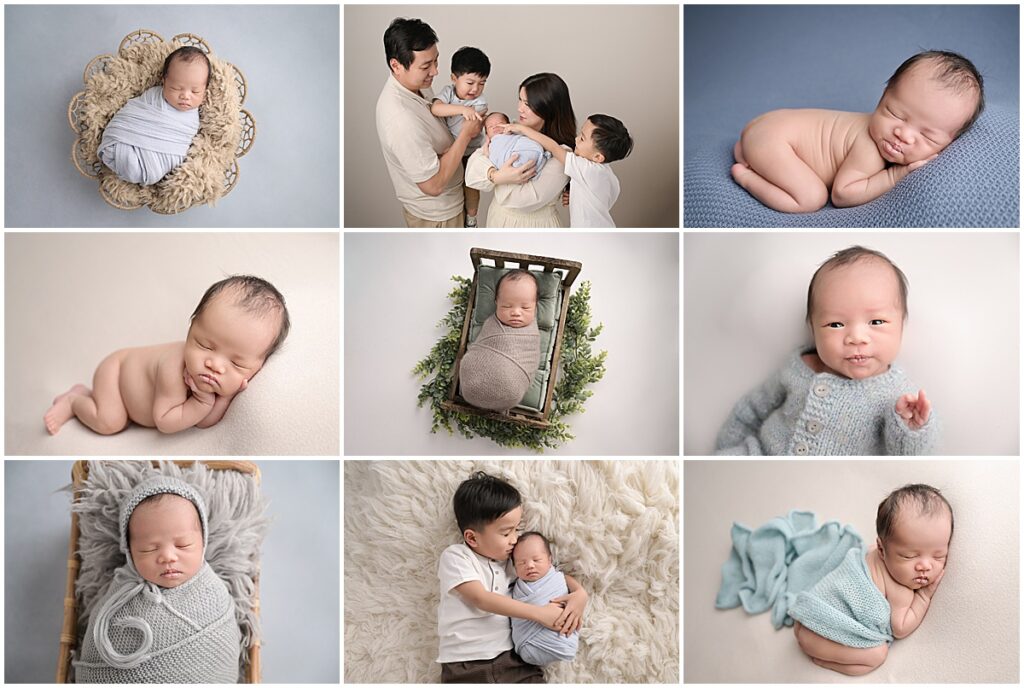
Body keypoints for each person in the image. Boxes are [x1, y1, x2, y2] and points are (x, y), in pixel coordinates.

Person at [715, 246, 938, 455]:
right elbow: (752, 408)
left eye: (877, 321)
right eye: (835, 325)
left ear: (901, 325)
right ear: (813, 329)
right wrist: (726, 449)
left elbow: (907, 455)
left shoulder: (899, 395)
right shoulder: (799, 365)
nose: (856, 338)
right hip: (756, 452)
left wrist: (912, 428)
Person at [732, 50, 984, 212]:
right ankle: (746, 175)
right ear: (882, 97)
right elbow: (842, 194)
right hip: (774, 140)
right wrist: (895, 176)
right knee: (811, 198)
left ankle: (748, 149)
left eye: (927, 136)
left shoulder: (893, 135)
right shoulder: (869, 147)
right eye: (895, 113)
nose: (903, 134)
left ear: (951, 141)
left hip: (767, 127)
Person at [43, 275, 289, 435]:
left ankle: (86, 395)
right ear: (191, 329)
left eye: (237, 363)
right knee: (111, 421)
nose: (214, 365)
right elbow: (165, 420)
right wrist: (204, 400)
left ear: (259, 366)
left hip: (130, 395)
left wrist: (223, 399)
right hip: (116, 374)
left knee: (118, 417)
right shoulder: (174, 368)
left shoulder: (214, 381)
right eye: (205, 345)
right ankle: (74, 401)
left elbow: (202, 421)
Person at [73, 477, 240, 682]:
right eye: (149, 549)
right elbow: (97, 651)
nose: (168, 557)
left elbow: (224, 655)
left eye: (183, 545)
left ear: (203, 543)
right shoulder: (119, 598)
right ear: (130, 552)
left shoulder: (213, 595)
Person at [437, 472, 589, 683]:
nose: (515, 539)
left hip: (513, 660)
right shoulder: (457, 557)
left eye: (517, 529)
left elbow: (551, 575)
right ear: (472, 537)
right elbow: (481, 599)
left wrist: (580, 593)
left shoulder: (513, 562)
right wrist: (540, 614)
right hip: (466, 664)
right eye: (506, 532)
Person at [793, 484, 952, 675]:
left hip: (808, 615)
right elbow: (900, 628)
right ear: (882, 549)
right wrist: (924, 597)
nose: (925, 566)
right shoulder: (900, 591)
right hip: (820, 632)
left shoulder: (871, 551)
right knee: (878, 654)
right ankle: (826, 662)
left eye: (938, 556)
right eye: (909, 556)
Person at [376, 18, 483, 228]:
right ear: (396, 65)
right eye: (426, 66)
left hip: (452, 202)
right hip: (437, 216)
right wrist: (465, 135)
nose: (435, 71)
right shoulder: (400, 118)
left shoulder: (419, 86)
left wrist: (447, 152)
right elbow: (433, 185)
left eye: (436, 61)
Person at [465, 73, 576, 227]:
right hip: (497, 220)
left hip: (533, 228)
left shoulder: (562, 154)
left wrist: (494, 176)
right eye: (520, 100)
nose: (519, 108)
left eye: (528, 104)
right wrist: (496, 176)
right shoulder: (511, 130)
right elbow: (472, 171)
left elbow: (521, 200)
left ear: (548, 107)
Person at [97, 46, 209, 186]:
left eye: (195, 91)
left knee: (149, 170)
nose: (185, 96)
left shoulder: (193, 119)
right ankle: (126, 162)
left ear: (204, 91)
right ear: (164, 82)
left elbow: (183, 144)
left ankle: (134, 168)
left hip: (155, 165)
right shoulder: (153, 96)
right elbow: (131, 113)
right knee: (117, 152)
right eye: (176, 88)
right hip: (122, 143)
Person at [501, 113, 633, 227]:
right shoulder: (608, 175)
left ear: (598, 157)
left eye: (582, 138)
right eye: (580, 133)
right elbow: (601, 201)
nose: (576, 139)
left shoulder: (586, 169)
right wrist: (578, 194)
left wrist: (521, 128)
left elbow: (553, 147)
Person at [459, 270, 541, 412]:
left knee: (512, 388)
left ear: (535, 306)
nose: (516, 312)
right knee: (467, 362)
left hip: (511, 389)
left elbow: (531, 360)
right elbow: (478, 351)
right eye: (506, 306)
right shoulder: (491, 324)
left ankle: (504, 394)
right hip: (472, 383)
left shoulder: (531, 335)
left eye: (525, 307)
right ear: (496, 302)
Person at [430, 46, 491, 227]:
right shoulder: (448, 92)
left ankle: (471, 218)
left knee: (470, 184)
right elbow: (435, 108)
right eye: (470, 83)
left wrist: (468, 110)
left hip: (470, 151)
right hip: (452, 151)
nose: (475, 89)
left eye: (482, 83)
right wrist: (462, 109)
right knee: (450, 183)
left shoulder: (479, 103)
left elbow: (469, 128)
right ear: (454, 78)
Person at [510, 532, 580, 665]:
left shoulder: (557, 578)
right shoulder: (517, 588)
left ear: (549, 560)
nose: (529, 565)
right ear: (514, 567)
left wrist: (580, 593)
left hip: (561, 641)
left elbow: (572, 593)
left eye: (536, 560)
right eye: (521, 563)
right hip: (528, 646)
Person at [485, 112, 551, 176]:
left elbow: (523, 137)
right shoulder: (490, 145)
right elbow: (491, 157)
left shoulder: (515, 132)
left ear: (508, 125)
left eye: (500, 123)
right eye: (490, 126)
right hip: (509, 164)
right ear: (487, 134)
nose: (495, 127)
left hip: (524, 149)